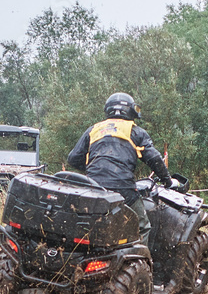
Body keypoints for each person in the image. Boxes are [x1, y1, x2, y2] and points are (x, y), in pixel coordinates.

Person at [68, 92, 177, 243]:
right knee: (142, 226)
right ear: (130, 110)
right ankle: (140, 262)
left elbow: (73, 159)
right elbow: (155, 159)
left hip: (93, 188)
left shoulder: (94, 130)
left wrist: (93, 169)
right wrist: (167, 181)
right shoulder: (136, 131)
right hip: (124, 189)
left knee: (89, 226)